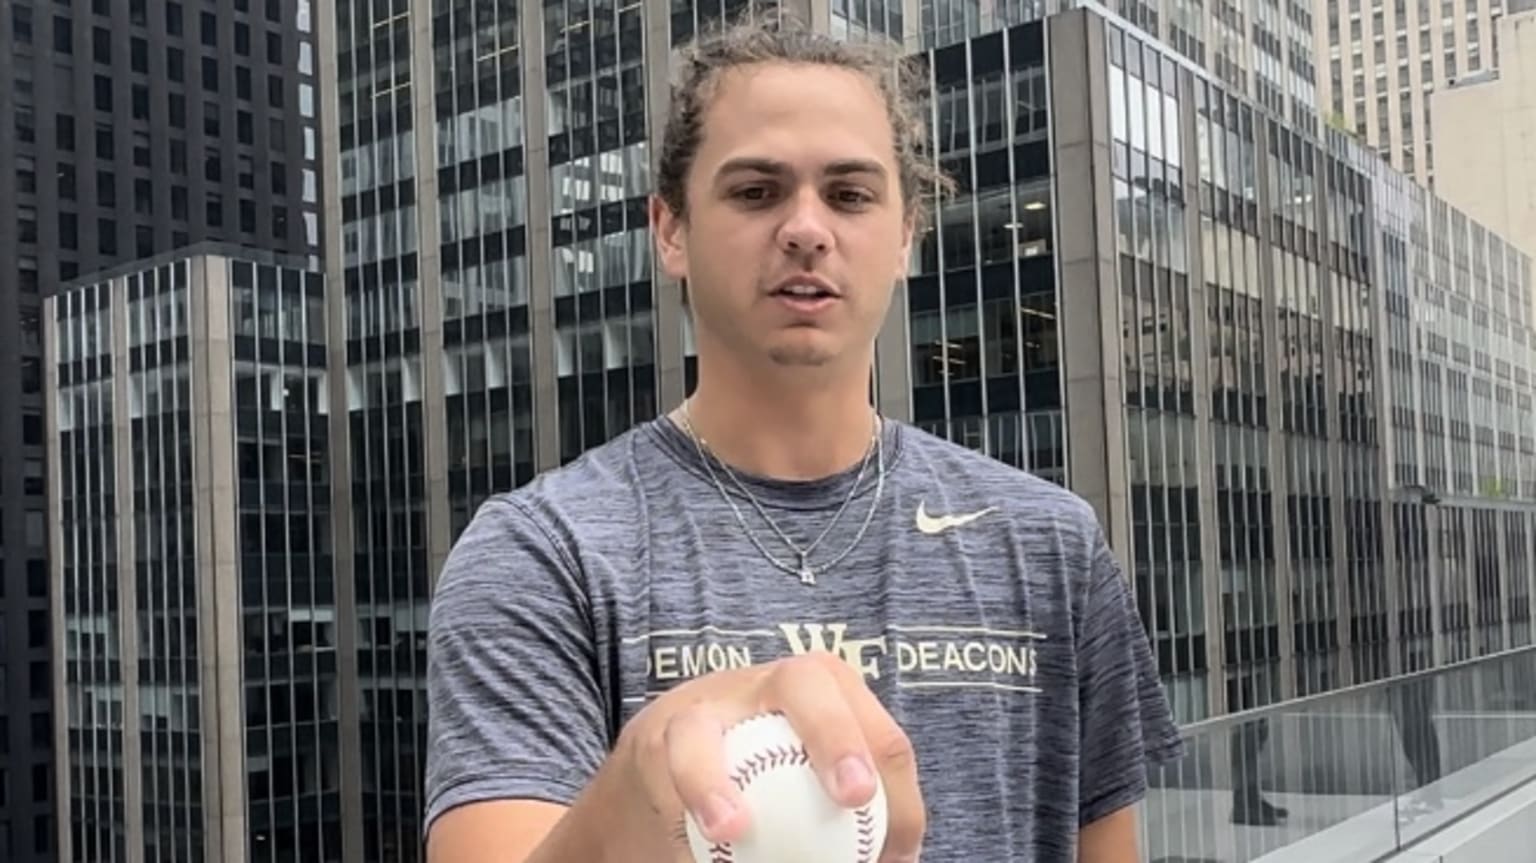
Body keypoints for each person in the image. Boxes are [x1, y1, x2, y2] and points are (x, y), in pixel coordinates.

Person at [422, 13, 1184, 863]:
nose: (807, 228)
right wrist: (640, 773)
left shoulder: (1049, 542)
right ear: (669, 230)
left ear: (905, 234)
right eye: (756, 191)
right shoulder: (542, 553)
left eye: (851, 194)